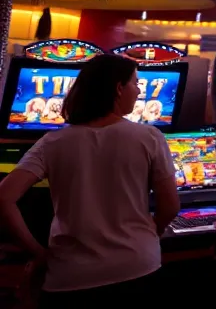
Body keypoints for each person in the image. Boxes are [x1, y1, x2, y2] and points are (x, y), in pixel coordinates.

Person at [0, 54, 180, 304]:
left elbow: (4, 198)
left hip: (70, 275)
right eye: (135, 83)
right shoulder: (149, 137)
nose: (138, 92)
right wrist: (152, 231)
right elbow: (170, 206)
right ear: (119, 88)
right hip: (137, 266)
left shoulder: (52, 142)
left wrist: (38, 253)